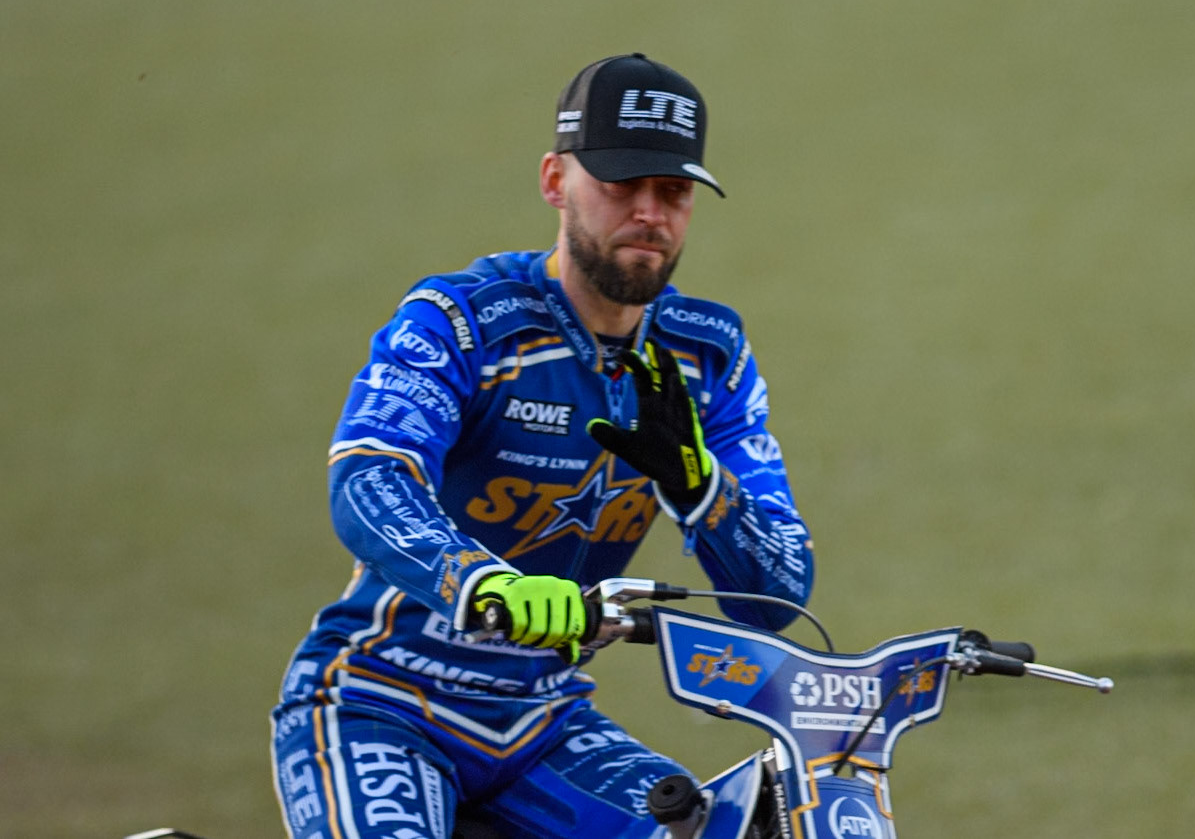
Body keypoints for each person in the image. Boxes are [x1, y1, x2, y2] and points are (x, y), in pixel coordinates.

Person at [271, 52, 814, 839]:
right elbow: (367, 479)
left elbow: (780, 592)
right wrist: (485, 584)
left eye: (674, 191)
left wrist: (702, 489)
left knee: (736, 829)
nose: (650, 214)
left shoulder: (708, 354)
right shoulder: (462, 319)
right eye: (621, 184)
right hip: (377, 702)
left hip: (542, 720)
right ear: (556, 182)